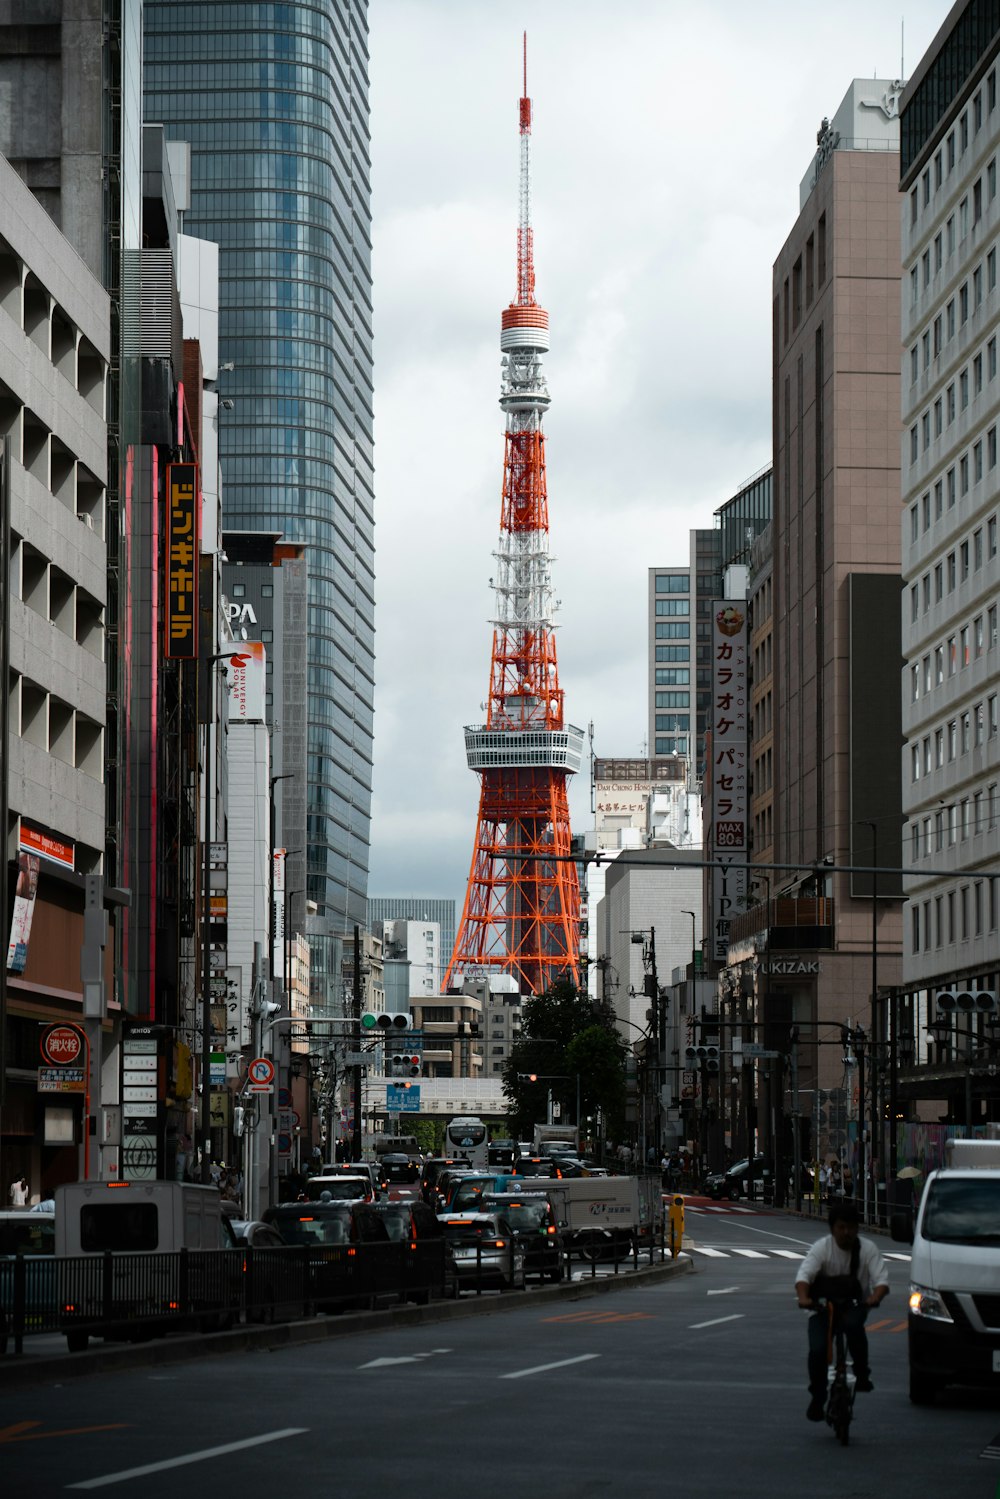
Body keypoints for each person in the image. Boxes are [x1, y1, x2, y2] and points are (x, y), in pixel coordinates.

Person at [795, 1200, 889, 1421]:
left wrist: (875, 1297)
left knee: (854, 1327)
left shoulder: (867, 1249)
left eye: (851, 1227)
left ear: (857, 1228)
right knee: (817, 1350)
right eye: (841, 1227)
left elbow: (881, 1280)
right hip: (821, 1306)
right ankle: (817, 1397)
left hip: (854, 1306)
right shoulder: (822, 1247)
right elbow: (804, 1276)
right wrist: (804, 1298)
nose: (846, 1233)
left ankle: (862, 1373)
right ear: (832, 1229)